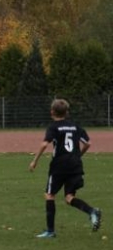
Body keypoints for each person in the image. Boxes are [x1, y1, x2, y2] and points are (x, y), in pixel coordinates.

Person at [28, 98, 101, 238]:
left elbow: (44, 144)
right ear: (66, 112)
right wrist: (78, 156)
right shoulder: (75, 126)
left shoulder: (53, 127)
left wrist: (34, 161)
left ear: (52, 112)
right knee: (69, 197)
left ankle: (50, 231)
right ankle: (92, 211)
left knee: (49, 195)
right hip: (75, 165)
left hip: (59, 166)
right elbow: (88, 144)